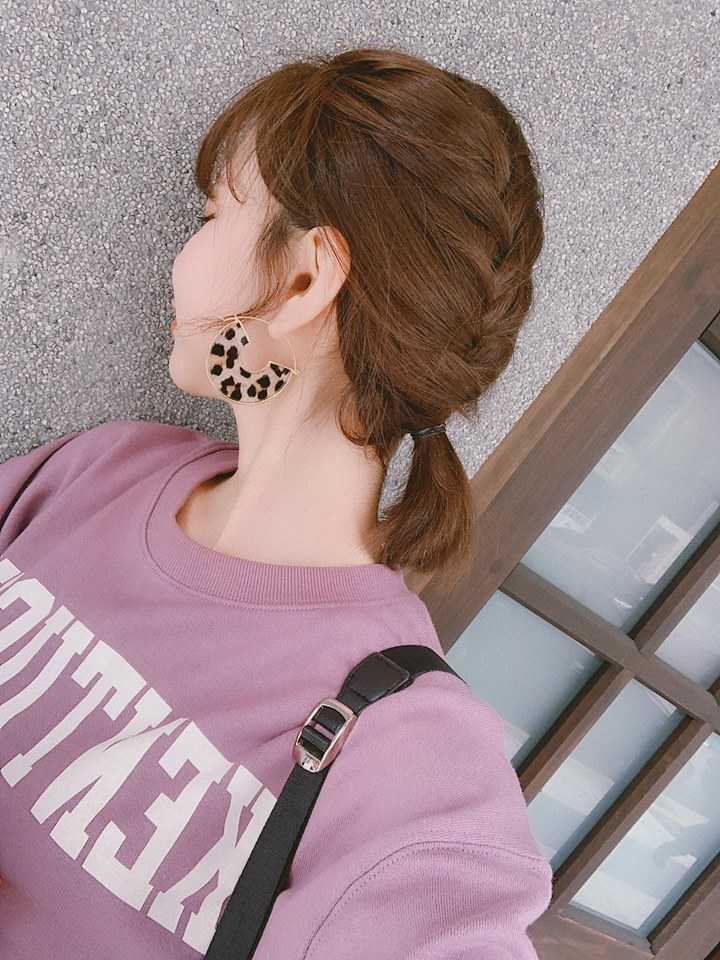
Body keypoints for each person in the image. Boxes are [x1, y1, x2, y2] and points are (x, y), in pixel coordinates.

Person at [0, 46, 551, 959]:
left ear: (303, 281)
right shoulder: (109, 468)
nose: (181, 256)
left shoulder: (405, 755)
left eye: (212, 215)